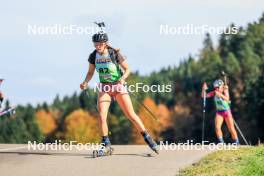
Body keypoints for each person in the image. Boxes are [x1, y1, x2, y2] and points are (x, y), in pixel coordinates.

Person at [80, 31, 159, 153]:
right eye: (95, 44)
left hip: (118, 86)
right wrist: (85, 82)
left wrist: (123, 79)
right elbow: (90, 72)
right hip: (104, 88)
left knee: (131, 115)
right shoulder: (93, 56)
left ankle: (147, 137)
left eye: (99, 44)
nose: (97, 47)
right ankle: (105, 143)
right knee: (101, 116)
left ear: (105, 43)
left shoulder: (114, 53)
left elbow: (127, 69)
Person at [202, 79, 239, 144]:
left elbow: (227, 99)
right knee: (217, 127)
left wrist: (221, 95)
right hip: (219, 112)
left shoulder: (225, 91)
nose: (216, 89)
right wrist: (203, 89)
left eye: (217, 87)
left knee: (231, 128)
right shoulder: (214, 92)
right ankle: (221, 141)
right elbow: (204, 96)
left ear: (221, 86)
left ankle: (236, 141)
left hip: (227, 112)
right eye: (215, 88)